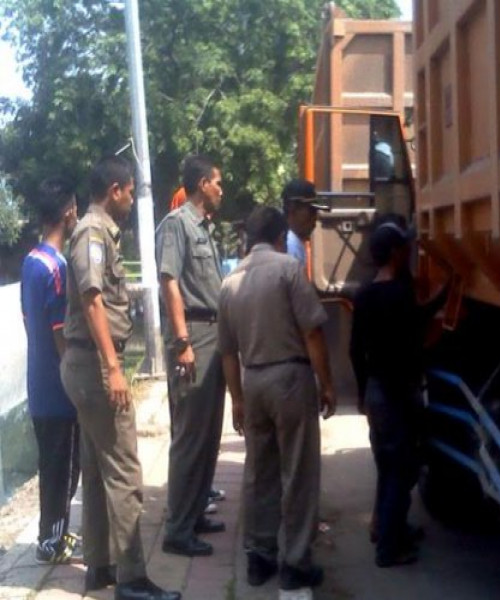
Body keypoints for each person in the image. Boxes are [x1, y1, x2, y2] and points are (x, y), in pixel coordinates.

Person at [60, 156, 180, 600]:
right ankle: (132, 580)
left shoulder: (96, 231)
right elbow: (93, 298)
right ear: (115, 190)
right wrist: (114, 368)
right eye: (130, 192)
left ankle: (99, 566)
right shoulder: (93, 233)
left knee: (96, 471)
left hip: (85, 363)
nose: (132, 199)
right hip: (94, 366)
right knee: (126, 473)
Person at [218, 205, 337, 592]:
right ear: (278, 237)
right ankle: (296, 561)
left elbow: (227, 352)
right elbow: (312, 333)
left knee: (259, 471)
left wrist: (236, 398)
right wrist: (327, 383)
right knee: (298, 470)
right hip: (289, 377)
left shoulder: (230, 282)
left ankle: (259, 555)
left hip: (252, 380)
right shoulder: (288, 270)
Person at [349, 216, 448, 568]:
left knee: (387, 464)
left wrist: (362, 392)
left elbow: (354, 350)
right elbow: (420, 323)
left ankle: (390, 530)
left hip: (377, 392)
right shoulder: (399, 295)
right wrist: (447, 289)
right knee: (401, 471)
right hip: (399, 395)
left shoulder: (364, 295)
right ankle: (389, 550)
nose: (409, 250)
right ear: (394, 253)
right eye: (404, 246)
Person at [155, 155, 227, 557]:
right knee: (189, 436)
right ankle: (178, 530)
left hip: (212, 333)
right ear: (203, 184)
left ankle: (195, 513)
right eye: (218, 183)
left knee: (209, 432)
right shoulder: (177, 225)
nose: (222, 191)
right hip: (194, 335)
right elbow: (170, 281)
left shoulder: (203, 227)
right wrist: (182, 341)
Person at [21, 178, 81, 565]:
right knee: (63, 468)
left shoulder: (30, 262)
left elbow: (31, 322)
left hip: (38, 384)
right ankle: (51, 541)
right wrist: (72, 379)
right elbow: (61, 333)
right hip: (59, 390)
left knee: (52, 464)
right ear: (68, 213)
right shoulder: (57, 268)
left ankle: (53, 533)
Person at [282, 178, 327, 274]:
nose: (315, 217)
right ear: (292, 208)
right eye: (312, 211)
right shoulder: (290, 245)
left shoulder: (292, 242)